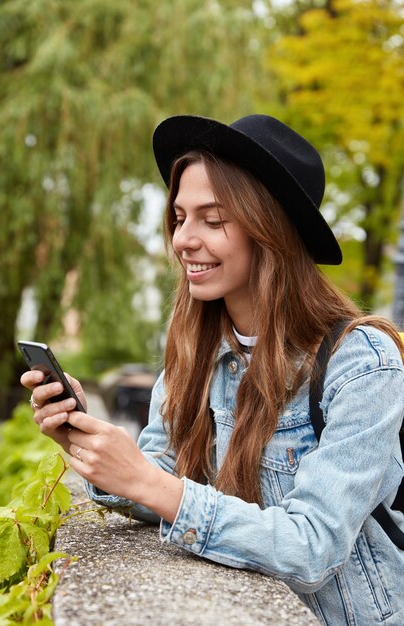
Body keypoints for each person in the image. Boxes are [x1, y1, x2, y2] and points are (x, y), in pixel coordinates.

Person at [22, 114, 404, 625]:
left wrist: (149, 483)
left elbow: (312, 546)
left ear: (271, 232)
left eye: (213, 220)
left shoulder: (360, 363)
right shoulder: (196, 350)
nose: (183, 239)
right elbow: (161, 479)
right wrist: (88, 443)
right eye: (180, 217)